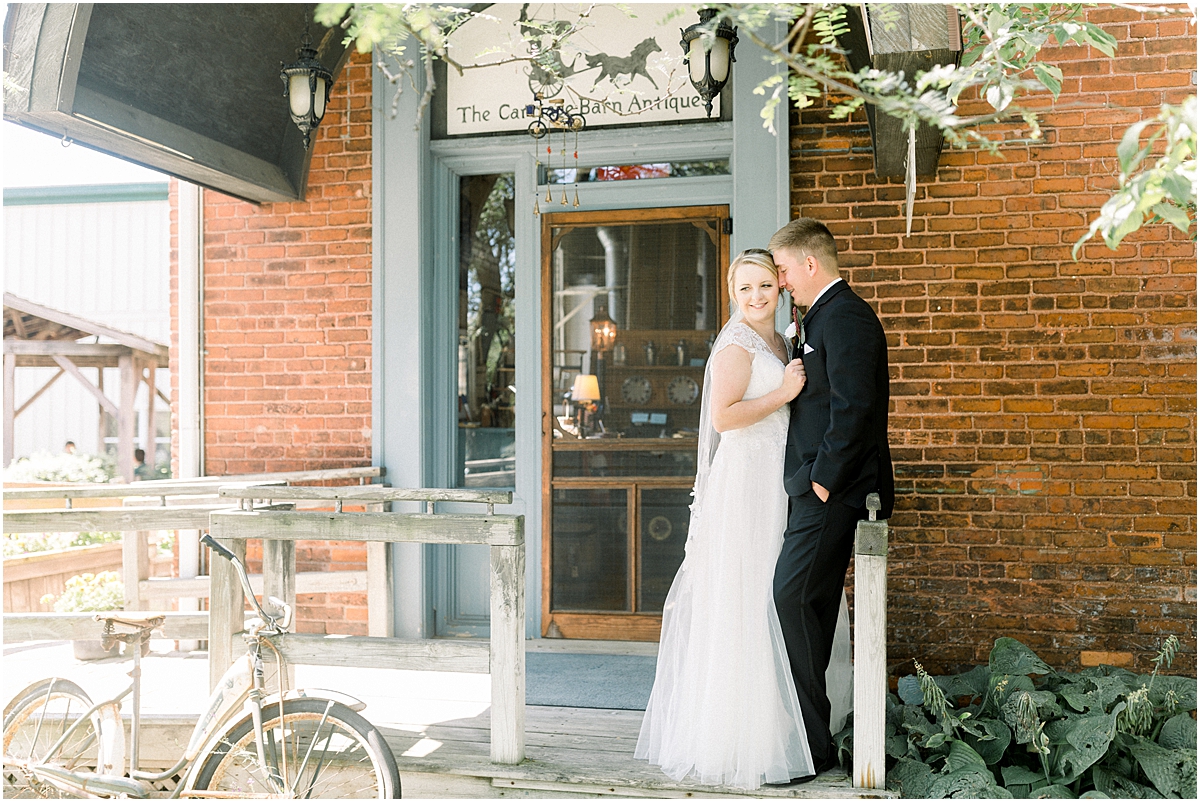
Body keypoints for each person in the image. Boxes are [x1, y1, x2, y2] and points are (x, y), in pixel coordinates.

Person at [636, 250, 824, 789]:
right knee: (749, 599)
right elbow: (723, 417)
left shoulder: (780, 339)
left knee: (773, 597)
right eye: (745, 289)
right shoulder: (737, 344)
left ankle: (782, 727)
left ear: (780, 287)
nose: (756, 297)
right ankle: (745, 741)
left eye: (765, 285)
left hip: (776, 480)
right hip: (746, 484)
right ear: (732, 294)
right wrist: (783, 392)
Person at [770, 218, 894, 778]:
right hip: (817, 488)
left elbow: (855, 407)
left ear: (810, 264)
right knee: (811, 604)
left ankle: (809, 742)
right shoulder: (819, 316)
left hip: (833, 491)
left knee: (791, 595)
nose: (782, 281)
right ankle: (810, 742)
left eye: (785, 269)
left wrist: (822, 480)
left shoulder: (846, 317)